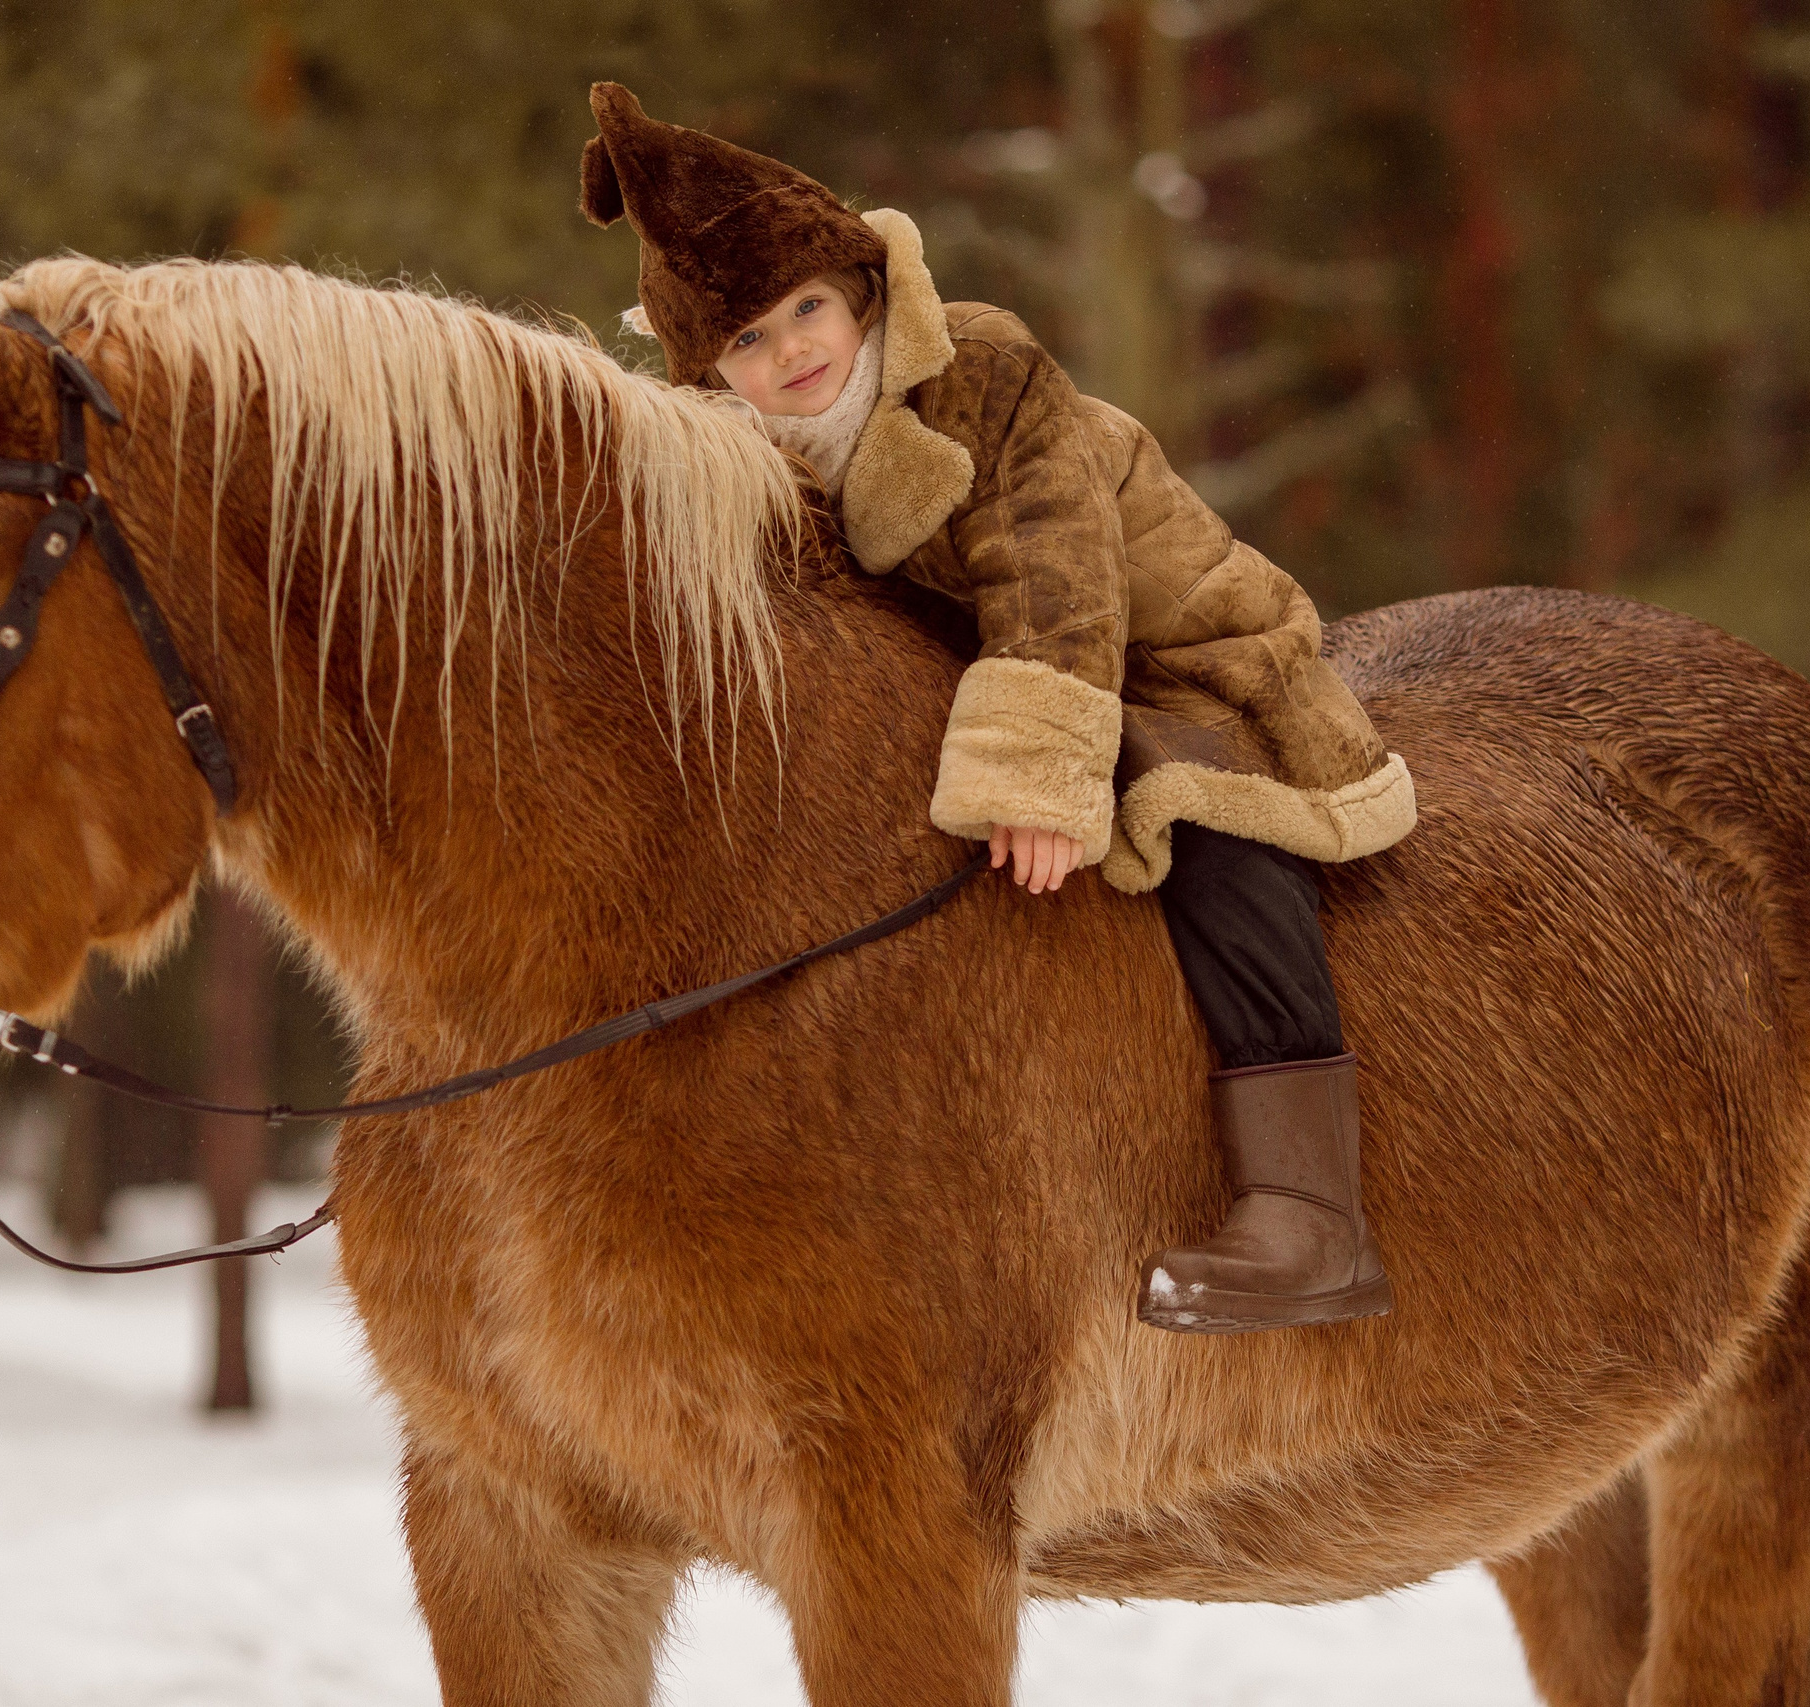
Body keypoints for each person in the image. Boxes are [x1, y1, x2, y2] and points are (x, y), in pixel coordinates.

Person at [578, 84, 1418, 1333]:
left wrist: (1032, 781)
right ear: (712, 368)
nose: (790, 353)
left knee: (1218, 833)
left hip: (1167, 652)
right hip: (972, 669)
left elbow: (1053, 575)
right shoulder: (742, 454)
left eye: (805, 310)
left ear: (856, 287)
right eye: (748, 342)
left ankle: (1308, 1208)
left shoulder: (978, 369)